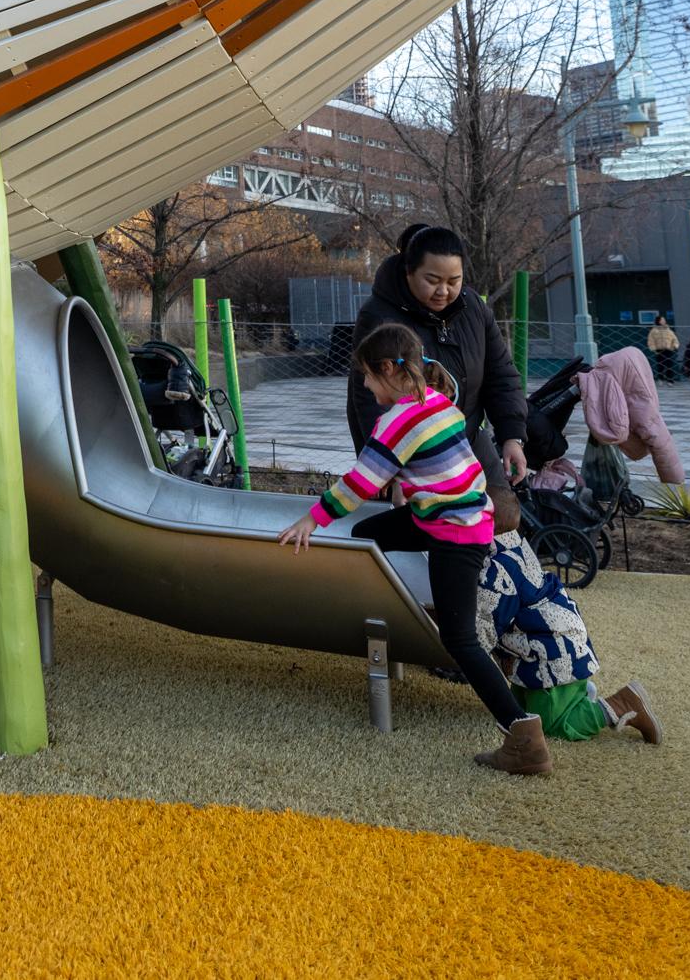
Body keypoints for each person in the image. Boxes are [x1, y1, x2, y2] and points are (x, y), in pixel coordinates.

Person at [281, 323, 550, 775]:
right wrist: (406, 491)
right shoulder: (438, 403)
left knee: (460, 640)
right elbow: (436, 465)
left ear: (388, 370)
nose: (365, 385)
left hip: (456, 534)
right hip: (453, 515)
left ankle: (523, 737)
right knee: (373, 535)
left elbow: (360, 484)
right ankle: (400, 609)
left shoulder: (397, 421)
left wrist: (312, 518)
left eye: (367, 376)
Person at [346, 225, 529, 500]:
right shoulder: (379, 317)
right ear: (409, 271)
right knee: (434, 533)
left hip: (467, 440)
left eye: (454, 281)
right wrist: (390, 469)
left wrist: (512, 436)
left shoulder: (474, 308)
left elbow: (500, 375)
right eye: (432, 280)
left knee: (501, 512)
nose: (443, 291)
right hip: (412, 456)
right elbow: (371, 400)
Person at [477, 488, 661, 745]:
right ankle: (576, 695)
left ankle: (621, 705)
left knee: (554, 726)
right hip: (554, 640)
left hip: (549, 653)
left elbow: (482, 627)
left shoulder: (495, 569)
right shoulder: (517, 544)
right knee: (523, 710)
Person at [644, 314, 680, 385]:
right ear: (658, 321)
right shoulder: (654, 330)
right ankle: (660, 378)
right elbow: (650, 340)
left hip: (669, 350)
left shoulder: (668, 330)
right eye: (662, 319)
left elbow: (675, 339)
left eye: (664, 319)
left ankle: (670, 380)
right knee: (661, 365)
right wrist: (654, 349)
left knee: (670, 364)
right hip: (659, 350)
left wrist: (675, 346)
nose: (664, 321)